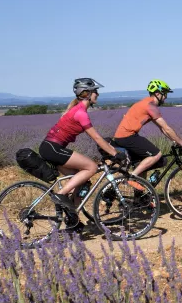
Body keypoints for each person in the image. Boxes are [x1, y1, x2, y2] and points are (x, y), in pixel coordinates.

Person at [40, 78, 125, 229]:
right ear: (86, 94)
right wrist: (115, 153)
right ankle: (61, 195)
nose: (97, 94)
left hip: (50, 148)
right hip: (53, 148)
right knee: (91, 167)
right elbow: (97, 138)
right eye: (95, 92)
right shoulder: (81, 113)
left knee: (81, 182)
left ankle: (73, 221)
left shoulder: (79, 110)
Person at [113, 79, 182, 182]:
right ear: (157, 94)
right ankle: (131, 178)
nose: (165, 98)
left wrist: (174, 141)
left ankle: (139, 195)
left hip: (123, 137)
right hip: (127, 136)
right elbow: (167, 128)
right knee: (156, 154)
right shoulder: (150, 106)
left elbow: (162, 129)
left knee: (143, 162)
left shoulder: (146, 103)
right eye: (164, 94)